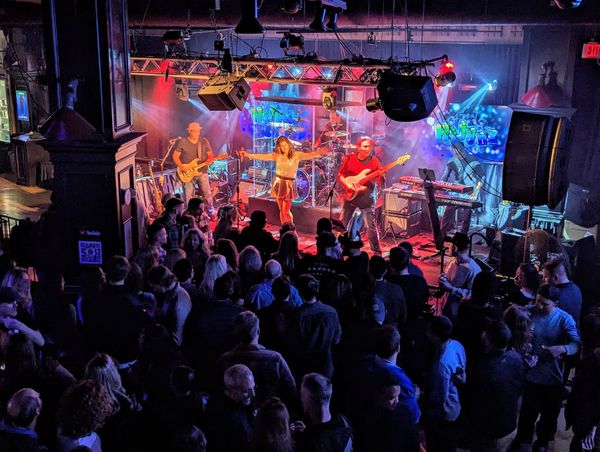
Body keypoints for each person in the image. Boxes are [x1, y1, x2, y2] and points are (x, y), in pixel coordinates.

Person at [512, 284, 580, 452]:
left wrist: (563, 348)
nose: (540, 306)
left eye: (545, 304)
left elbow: (576, 344)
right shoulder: (530, 311)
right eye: (538, 302)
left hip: (552, 377)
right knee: (527, 414)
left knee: (549, 417)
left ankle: (542, 442)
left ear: (556, 303)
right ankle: (523, 440)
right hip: (530, 375)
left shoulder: (565, 319)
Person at [216, 311, 297, 408]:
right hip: (269, 412)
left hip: (235, 412)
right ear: (258, 331)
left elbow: (217, 391)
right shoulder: (275, 359)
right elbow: (291, 390)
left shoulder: (225, 360)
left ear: (237, 333)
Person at [240, 136, 327, 224]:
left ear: (289, 145)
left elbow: (309, 155)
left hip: (289, 183)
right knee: (281, 209)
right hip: (278, 182)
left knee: (286, 210)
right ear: (279, 147)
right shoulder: (277, 155)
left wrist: (319, 153)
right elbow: (262, 156)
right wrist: (248, 155)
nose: (284, 148)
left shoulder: (296, 155)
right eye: (281, 146)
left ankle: (290, 228)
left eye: (285, 145)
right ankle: (284, 227)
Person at [469, 321, 525, 452]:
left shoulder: (485, 370)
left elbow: (477, 404)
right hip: (510, 425)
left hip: (490, 433)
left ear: (488, 341)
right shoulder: (515, 357)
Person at [423, 315, 466, 452]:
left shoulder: (442, 365)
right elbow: (462, 375)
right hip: (456, 406)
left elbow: (441, 397)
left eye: (429, 330)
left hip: (444, 413)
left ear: (436, 336)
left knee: (439, 444)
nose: (426, 332)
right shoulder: (456, 345)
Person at [286, 274, 341, 380]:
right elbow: (336, 339)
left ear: (299, 292)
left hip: (304, 369)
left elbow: (291, 345)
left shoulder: (296, 316)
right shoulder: (331, 312)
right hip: (326, 368)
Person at [337, 137, 383, 254]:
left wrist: (381, 176)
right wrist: (348, 185)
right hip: (350, 196)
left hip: (366, 198)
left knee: (370, 226)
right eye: (365, 146)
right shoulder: (350, 159)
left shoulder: (374, 161)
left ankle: (376, 252)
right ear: (358, 148)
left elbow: (381, 180)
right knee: (342, 223)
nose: (368, 149)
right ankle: (338, 248)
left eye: (370, 147)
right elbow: (340, 175)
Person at [294, 373, 353, 452]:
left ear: (311, 399)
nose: (301, 398)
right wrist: (308, 431)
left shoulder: (312, 445)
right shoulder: (343, 423)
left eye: (302, 394)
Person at [205, 364, 256, 452]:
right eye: (246, 390)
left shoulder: (241, 400)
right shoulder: (223, 416)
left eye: (253, 388)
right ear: (232, 389)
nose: (253, 394)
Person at [439, 146, 485, 238]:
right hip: (456, 191)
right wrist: (439, 185)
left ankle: (462, 236)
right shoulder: (452, 161)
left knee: (467, 214)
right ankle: (441, 234)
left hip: (470, 191)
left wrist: (476, 192)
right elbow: (444, 177)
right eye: (454, 153)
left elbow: (482, 177)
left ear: (462, 150)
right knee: (448, 211)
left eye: (457, 153)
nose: (456, 155)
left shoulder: (473, 160)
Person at [172, 121, 215, 211]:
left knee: (207, 194)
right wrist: (182, 167)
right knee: (188, 196)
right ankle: (189, 213)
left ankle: (210, 211)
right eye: (195, 131)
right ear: (189, 131)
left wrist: (209, 161)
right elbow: (175, 156)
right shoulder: (183, 142)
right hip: (188, 174)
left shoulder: (203, 141)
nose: (197, 133)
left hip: (202, 172)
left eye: (198, 131)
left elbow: (211, 156)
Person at [439, 232, 482, 321]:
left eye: (449, 244)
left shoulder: (473, 269)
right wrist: (444, 279)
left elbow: (473, 294)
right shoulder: (452, 261)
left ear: (454, 247)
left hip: (459, 314)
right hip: (446, 307)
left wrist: (451, 289)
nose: (448, 247)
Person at [543, 258, 583, 325]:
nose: (543, 280)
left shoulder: (553, 296)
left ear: (555, 277)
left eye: (545, 277)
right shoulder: (576, 289)